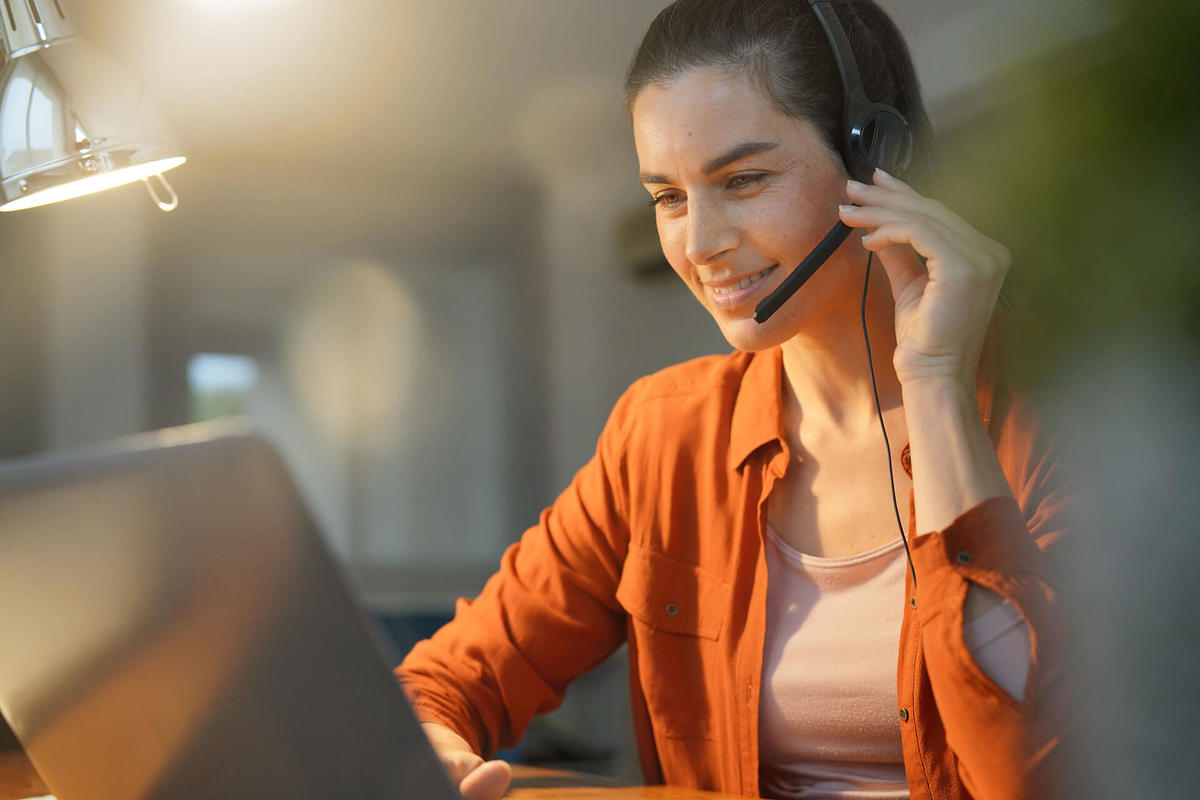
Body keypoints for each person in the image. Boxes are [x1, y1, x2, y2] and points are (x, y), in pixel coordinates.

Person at [397, 1, 1071, 798]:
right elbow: (444, 680)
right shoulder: (665, 431)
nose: (699, 243)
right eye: (669, 198)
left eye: (743, 179)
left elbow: (1045, 777)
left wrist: (934, 383)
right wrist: (433, 746)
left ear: (879, 160)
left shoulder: (1074, 407)